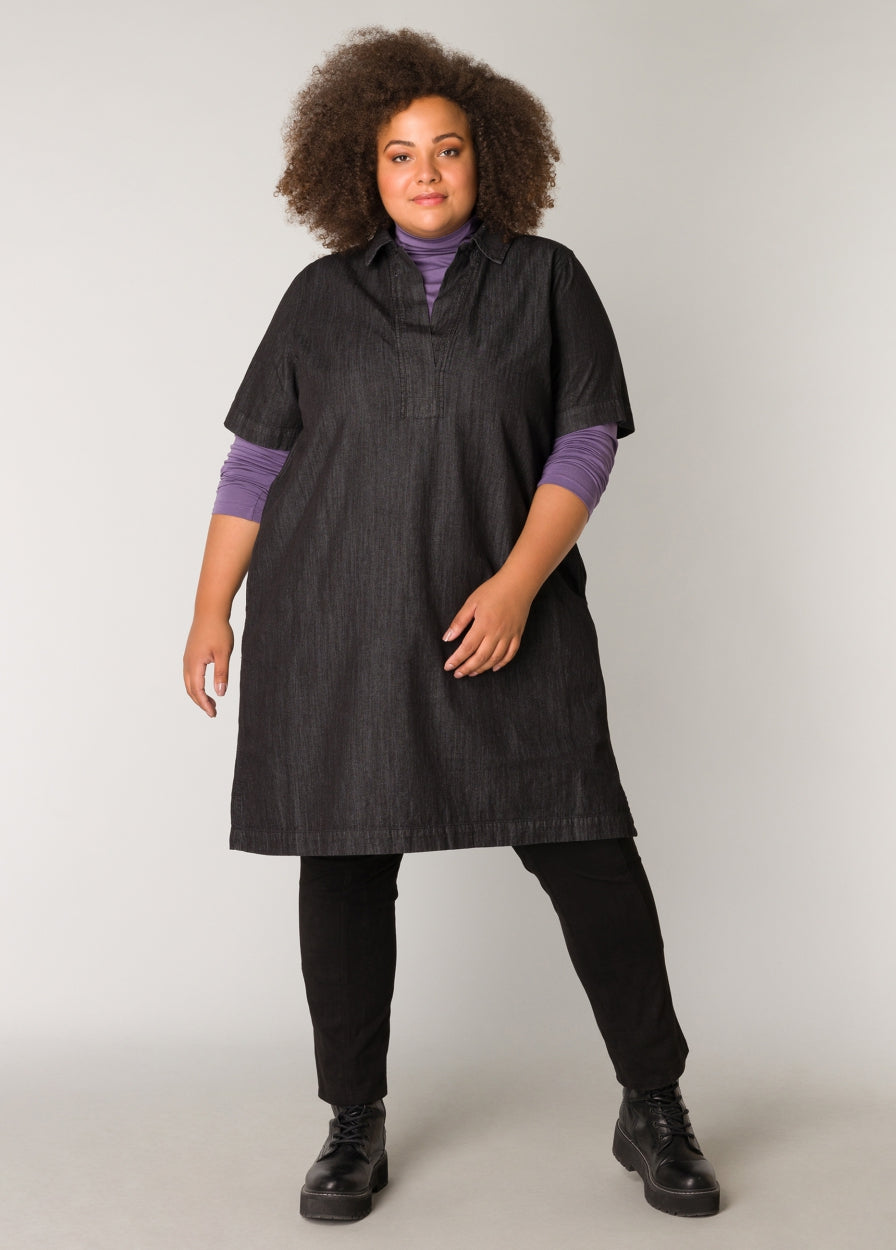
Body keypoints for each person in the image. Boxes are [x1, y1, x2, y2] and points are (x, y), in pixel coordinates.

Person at [183, 26, 720, 1224]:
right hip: (338, 619)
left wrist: (519, 582)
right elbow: (255, 462)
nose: (423, 172)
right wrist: (211, 606)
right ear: (359, 169)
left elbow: (584, 441)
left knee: (590, 854)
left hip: (508, 614)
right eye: (398, 153)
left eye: (447, 149)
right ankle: (351, 1119)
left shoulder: (547, 281)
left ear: (489, 159)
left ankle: (653, 1103)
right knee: (343, 859)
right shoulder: (319, 299)